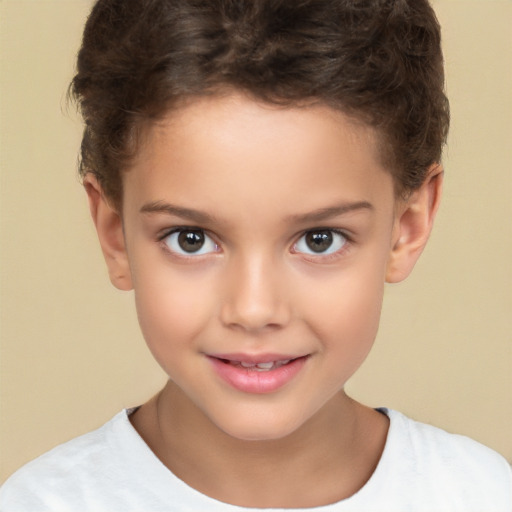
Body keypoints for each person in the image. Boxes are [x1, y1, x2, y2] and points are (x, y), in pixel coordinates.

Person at [1, 0, 510, 510]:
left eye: (319, 239)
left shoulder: (480, 494)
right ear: (115, 235)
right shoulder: (41, 502)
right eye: (191, 239)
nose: (254, 309)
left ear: (407, 225)